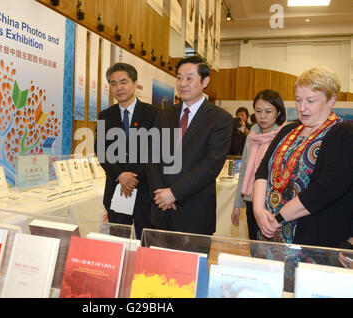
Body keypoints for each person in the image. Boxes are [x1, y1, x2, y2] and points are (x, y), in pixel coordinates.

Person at [253, 66, 353, 248]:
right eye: (298, 100)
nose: (302, 107)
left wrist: (279, 217)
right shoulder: (287, 130)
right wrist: (258, 211)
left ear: (331, 100)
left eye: (311, 101)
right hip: (268, 231)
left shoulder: (344, 134)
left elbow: (327, 188)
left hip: (312, 237)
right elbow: (262, 171)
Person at [146, 56, 232, 235]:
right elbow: (152, 156)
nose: (182, 83)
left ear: (205, 81)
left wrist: (174, 193)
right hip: (161, 209)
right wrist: (161, 195)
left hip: (195, 212)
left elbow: (210, 165)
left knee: (192, 262)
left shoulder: (219, 119)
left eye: (189, 78)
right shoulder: (164, 115)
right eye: (179, 77)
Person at [96, 62, 159, 239]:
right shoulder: (105, 116)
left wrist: (133, 178)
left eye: (124, 82)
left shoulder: (154, 114)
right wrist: (120, 175)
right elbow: (101, 151)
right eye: (114, 84)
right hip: (116, 190)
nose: (119, 88)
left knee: (146, 244)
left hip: (145, 192)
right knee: (118, 241)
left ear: (135, 84)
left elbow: (157, 151)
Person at [231, 89, 287, 240]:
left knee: (271, 250)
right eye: (258, 111)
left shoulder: (285, 136)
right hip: (250, 199)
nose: (262, 116)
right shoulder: (252, 136)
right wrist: (237, 204)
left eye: (268, 111)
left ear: (278, 112)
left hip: (273, 202)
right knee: (254, 246)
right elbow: (243, 170)